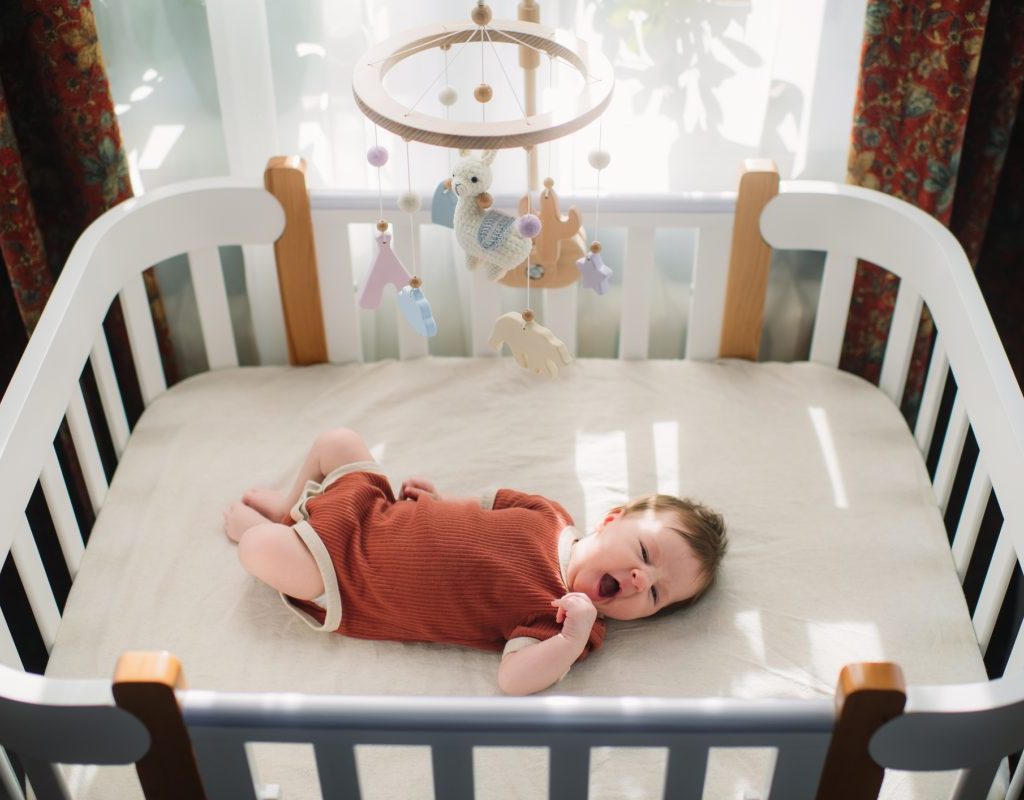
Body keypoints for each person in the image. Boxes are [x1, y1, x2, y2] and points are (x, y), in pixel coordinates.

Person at [224, 428, 728, 695]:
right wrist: (437, 501)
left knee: (260, 549)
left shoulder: (564, 622)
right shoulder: (550, 513)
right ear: (612, 519)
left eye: (655, 594)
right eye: (645, 554)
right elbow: (480, 511)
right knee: (336, 442)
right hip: (375, 513)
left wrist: (571, 640)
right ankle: (288, 506)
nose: (640, 579)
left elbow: (513, 679)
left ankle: (268, 530)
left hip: (348, 579)